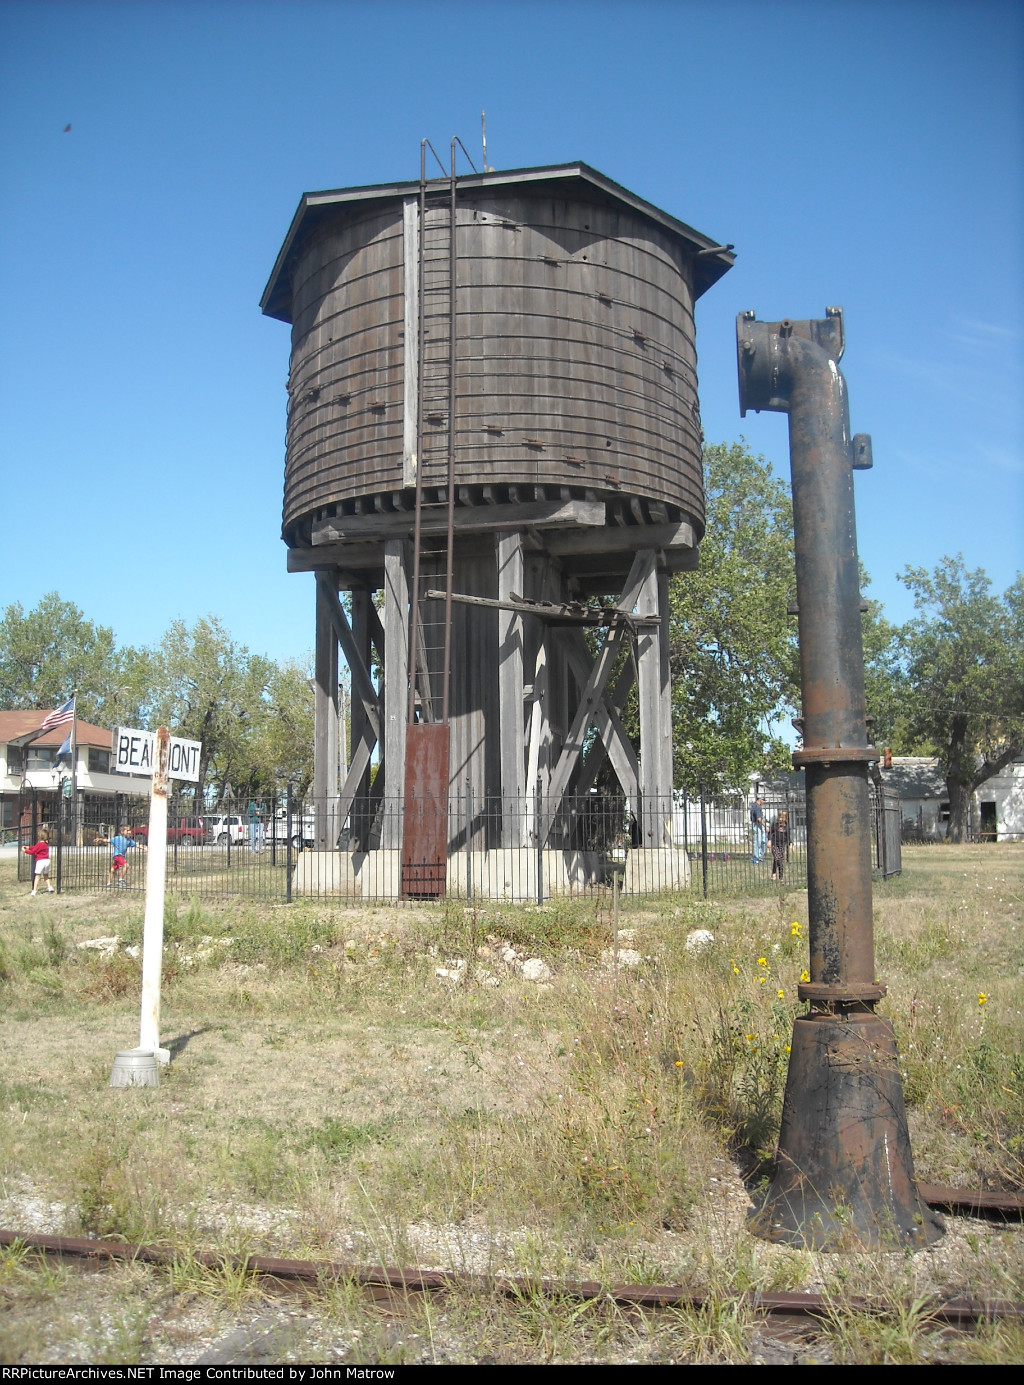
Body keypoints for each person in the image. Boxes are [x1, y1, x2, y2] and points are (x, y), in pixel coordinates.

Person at [23, 827, 54, 896]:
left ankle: (34, 890)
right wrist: (29, 847)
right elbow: (35, 848)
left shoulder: (39, 844)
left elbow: (33, 852)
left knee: (37, 876)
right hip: (47, 861)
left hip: (40, 862)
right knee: (46, 875)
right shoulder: (45, 844)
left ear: (39, 837)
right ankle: (50, 887)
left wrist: (25, 850)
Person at [769, 810, 790, 882]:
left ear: (785, 818)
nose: (781, 819)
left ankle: (774, 873)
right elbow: (770, 833)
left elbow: (788, 836)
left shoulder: (786, 827)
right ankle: (781, 877)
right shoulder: (775, 825)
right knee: (778, 859)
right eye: (780, 817)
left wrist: (790, 843)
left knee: (778, 859)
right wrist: (769, 840)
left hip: (782, 845)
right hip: (774, 844)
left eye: (783, 817)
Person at [750, 795, 766, 865]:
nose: (764, 802)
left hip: (757, 825)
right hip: (758, 825)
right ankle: (757, 857)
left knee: (761, 841)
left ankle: (759, 857)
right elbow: (759, 819)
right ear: (760, 800)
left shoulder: (754, 806)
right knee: (758, 842)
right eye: (763, 800)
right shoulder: (757, 807)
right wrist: (766, 826)